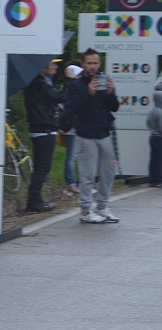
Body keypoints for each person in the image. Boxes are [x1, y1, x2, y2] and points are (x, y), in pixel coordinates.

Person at [64, 49, 120, 223]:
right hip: (85, 133)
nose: (92, 66)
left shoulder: (103, 81)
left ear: (99, 64)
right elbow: (73, 108)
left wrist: (111, 93)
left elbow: (114, 107)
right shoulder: (75, 85)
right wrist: (88, 94)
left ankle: (102, 207)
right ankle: (86, 210)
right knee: (87, 174)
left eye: (95, 63)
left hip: (104, 131)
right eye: (89, 63)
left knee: (108, 171)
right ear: (83, 64)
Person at [22, 58, 64, 212]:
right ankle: (33, 201)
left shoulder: (35, 84)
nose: (55, 66)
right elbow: (58, 97)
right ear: (42, 67)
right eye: (52, 64)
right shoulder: (40, 84)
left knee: (41, 167)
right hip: (44, 128)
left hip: (40, 128)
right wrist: (71, 80)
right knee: (42, 167)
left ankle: (36, 199)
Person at [59, 61, 83, 194]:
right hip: (70, 127)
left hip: (77, 126)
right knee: (72, 156)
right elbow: (66, 101)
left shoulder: (76, 87)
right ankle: (71, 182)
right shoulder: (69, 87)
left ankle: (79, 182)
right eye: (78, 75)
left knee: (79, 155)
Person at [148, 77, 162, 187]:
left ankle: (152, 178)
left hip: (152, 135)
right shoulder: (160, 112)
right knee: (159, 159)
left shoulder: (153, 110)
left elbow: (147, 122)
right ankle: (158, 179)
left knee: (153, 159)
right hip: (159, 137)